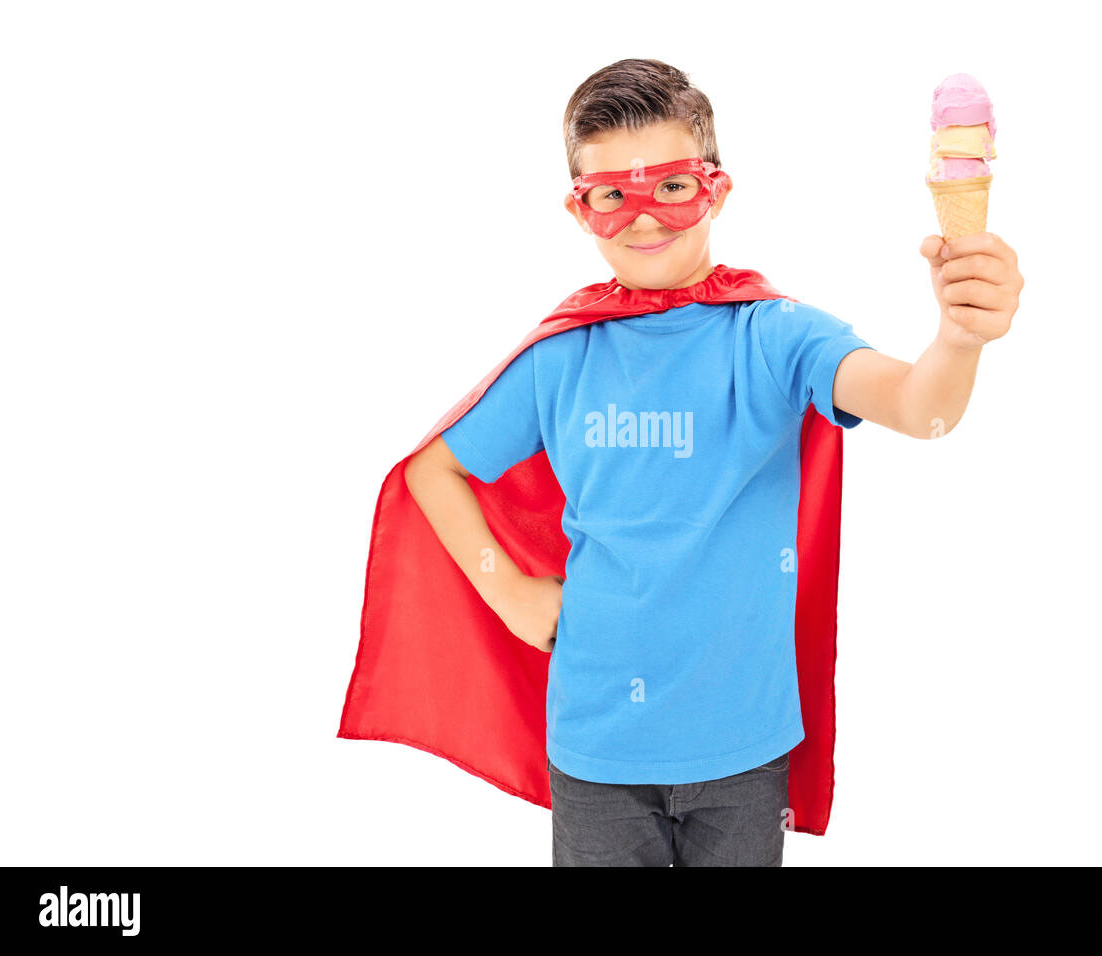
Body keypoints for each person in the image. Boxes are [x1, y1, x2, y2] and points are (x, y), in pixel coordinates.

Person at [391, 58, 1023, 866]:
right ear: (579, 210)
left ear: (716, 191)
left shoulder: (775, 334)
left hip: (742, 747)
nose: (645, 219)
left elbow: (919, 407)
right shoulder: (561, 357)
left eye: (672, 188)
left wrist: (959, 336)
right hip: (596, 749)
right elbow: (430, 470)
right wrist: (507, 588)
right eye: (613, 195)